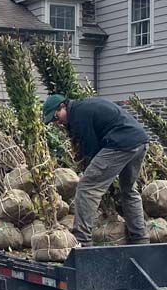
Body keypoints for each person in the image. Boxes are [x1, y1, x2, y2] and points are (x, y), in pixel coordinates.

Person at [42, 94, 150, 246]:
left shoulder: (79, 115)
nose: (56, 122)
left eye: (55, 117)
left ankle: (82, 240)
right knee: (128, 190)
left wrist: (88, 171)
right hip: (140, 141)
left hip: (120, 144)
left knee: (87, 187)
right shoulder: (84, 107)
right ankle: (140, 239)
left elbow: (91, 148)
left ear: (63, 106)